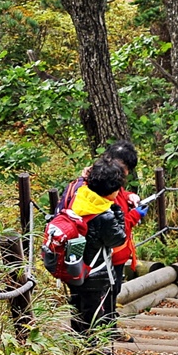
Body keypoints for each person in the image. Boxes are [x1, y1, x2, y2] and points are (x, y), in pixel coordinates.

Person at [59, 142, 146, 296]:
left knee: (102, 296)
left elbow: (117, 198)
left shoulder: (102, 179)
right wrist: (135, 215)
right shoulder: (98, 186)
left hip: (103, 257)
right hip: (102, 258)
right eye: (125, 168)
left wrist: (128, 196)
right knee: (104, 296)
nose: (125, 173)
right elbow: (110, 228)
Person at [65, 157, 128, 339]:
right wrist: (118, 213)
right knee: (94, 317)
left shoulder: (80, 197)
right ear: (111, 191)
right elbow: (119, 240)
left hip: (75, 267)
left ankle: (78, 351)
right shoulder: (104, 215)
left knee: (78, 310)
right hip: (95, 273)